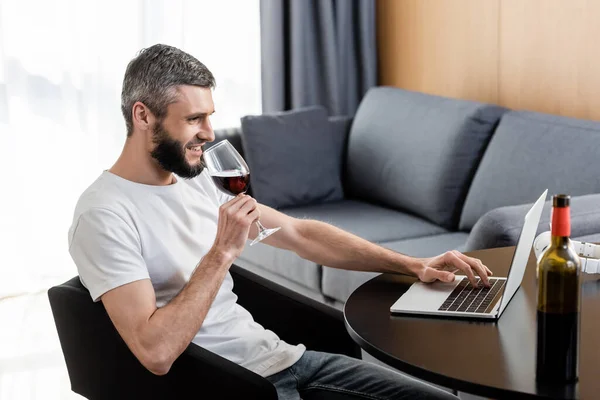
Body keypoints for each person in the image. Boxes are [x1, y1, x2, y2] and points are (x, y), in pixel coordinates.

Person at [68, 44, 492, 400]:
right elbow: (155, 352)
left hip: (288, 360)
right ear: (143, 116)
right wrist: (222, 252)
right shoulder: (104, 214)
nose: (209, 132)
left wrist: (412, 264)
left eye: (210, 116)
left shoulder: (196, 181)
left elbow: (299, 234)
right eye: (194, 119)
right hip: (233, 386)